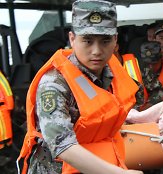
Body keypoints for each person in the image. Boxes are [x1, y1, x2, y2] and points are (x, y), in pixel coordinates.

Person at [17, 1, 143, 173]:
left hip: (104, 163)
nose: (97, 51)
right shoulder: (54, 84)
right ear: (72, 39)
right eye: (88, 41)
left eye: (105, 41)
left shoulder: (112, 73)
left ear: (115, 40)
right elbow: (62, 146)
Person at [0, 71, 14, 172]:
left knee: (5, 134)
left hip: (2, 109)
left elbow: (6, 88)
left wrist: (10, 104)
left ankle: (6, 156)